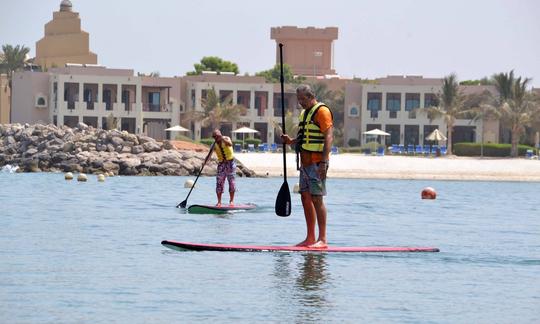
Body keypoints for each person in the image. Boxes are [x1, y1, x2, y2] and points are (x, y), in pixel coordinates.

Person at [281, 85, 333, 248]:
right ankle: (310, 238)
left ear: (311, 96)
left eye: (303, 99)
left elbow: (329, 137)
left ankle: (322, 239)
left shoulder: (322, 111)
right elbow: (304, 137)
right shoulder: (305, 114)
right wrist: (291, 141)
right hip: (305, 163)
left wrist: (324, 162)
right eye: (299, 100)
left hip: (318, 163)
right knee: (305, 198)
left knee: (317, 198)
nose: (301, 103)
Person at [212, 129, 236, 206]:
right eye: (214, 137)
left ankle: (231, 201)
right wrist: (204, 162)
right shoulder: (214, 144)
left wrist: (222, 138)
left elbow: (230, 144)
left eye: (217, 136)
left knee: (231, 182)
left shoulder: (226, 138)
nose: (216, 138)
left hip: (230, 164)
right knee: (219, 183)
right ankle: (219, 202)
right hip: (221, 165)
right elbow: (209, 154)